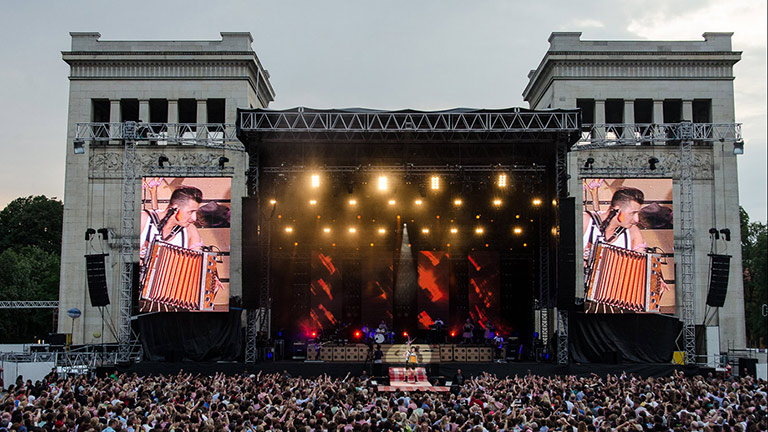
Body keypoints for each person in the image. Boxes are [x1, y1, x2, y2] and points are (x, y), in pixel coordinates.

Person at [139, 185, 205, 265]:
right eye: (190, 212)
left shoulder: (190, 230)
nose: (194, 218)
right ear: (176, 208)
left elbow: (197, 265)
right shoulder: (143, 219)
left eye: (195, 212)